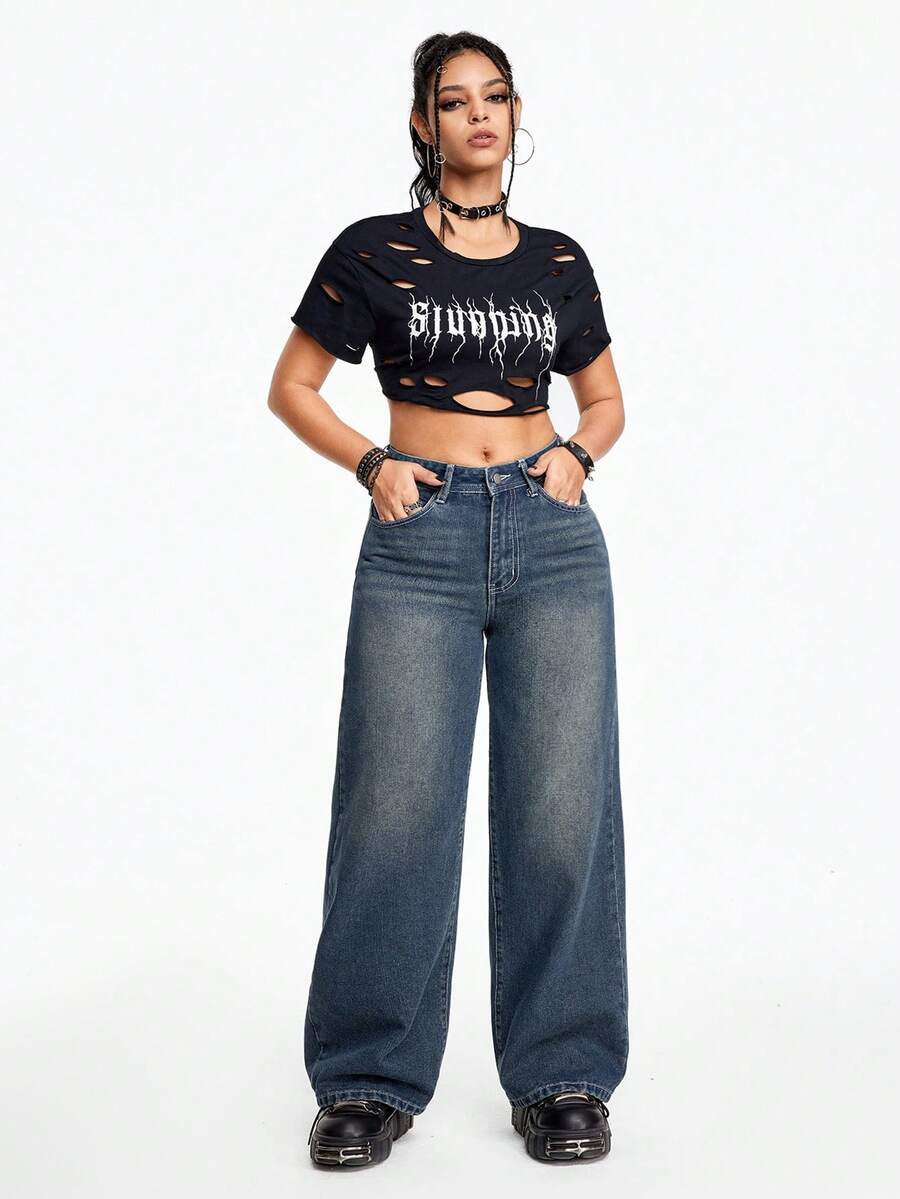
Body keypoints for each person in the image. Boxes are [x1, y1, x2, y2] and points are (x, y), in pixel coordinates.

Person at [268, 30, 628, 1169]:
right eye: (455, 99)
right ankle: (366, 1078)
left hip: (551, 535)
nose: (480, 114)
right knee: (394, 809)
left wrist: (578, 456)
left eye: (497, 96)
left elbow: (607, 398)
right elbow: (293, 386)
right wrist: (371, 464)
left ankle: (564, 1072)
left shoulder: (559, 261)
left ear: (516, 117)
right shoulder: (371, 250)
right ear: (423, 123)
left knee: (561, 810)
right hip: (418, 537)